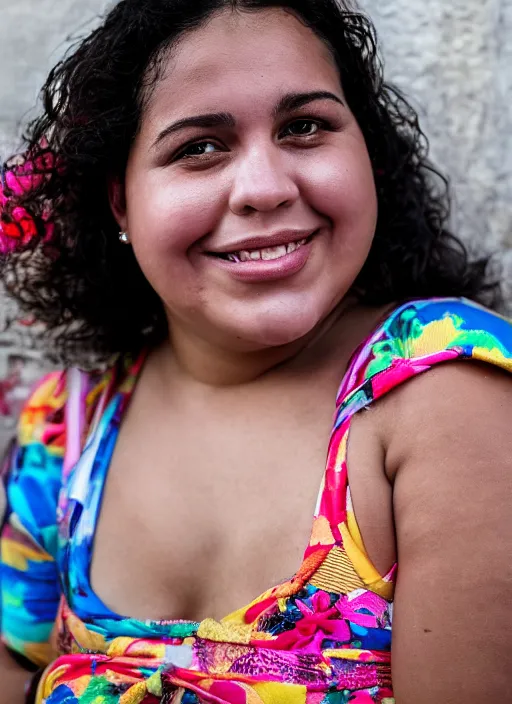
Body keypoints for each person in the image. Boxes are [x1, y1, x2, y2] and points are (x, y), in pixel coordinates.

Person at [0, 1, 511, 702]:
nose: (265, 189)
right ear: (120, 204)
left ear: (369, 154)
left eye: (305, 128)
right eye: (198, 147)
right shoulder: (70, 427)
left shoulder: (439, 388)